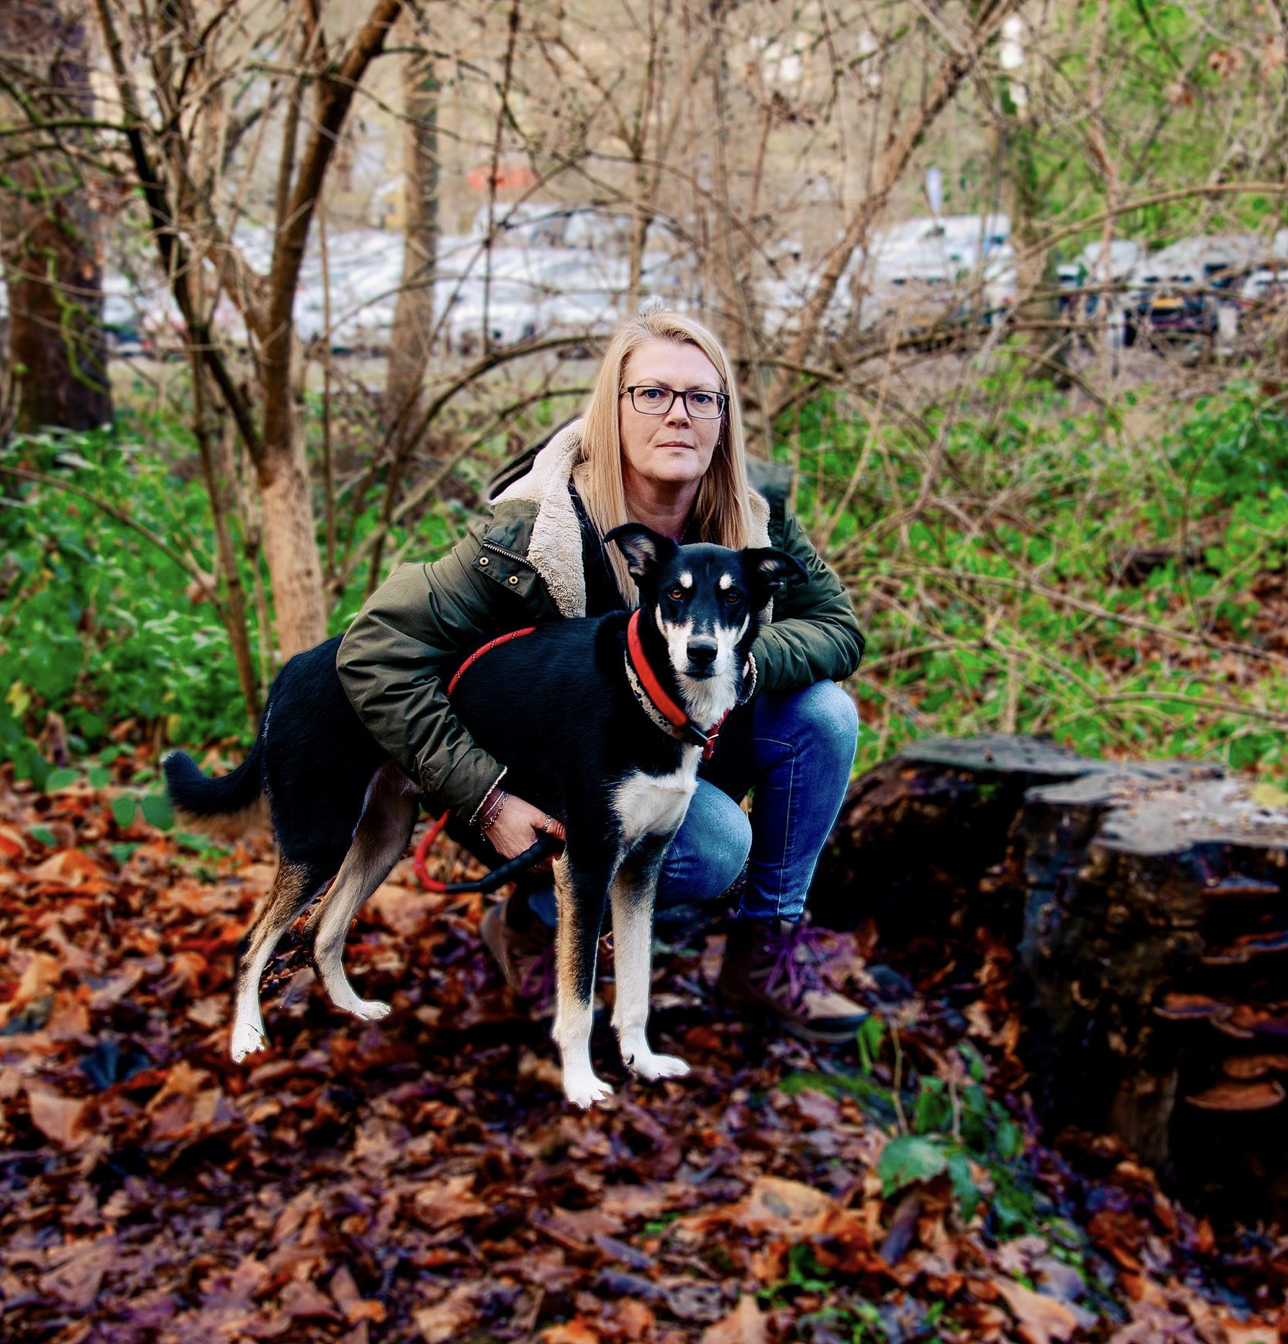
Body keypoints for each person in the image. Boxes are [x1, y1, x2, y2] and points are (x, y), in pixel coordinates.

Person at [336, 305, 867, 1042]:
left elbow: (838, 630)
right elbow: (375, 649)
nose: (678, 415)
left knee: (824, 716)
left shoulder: (754, 514)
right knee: (714, 845)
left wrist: (742, 667)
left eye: (700, 398)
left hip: (678, 748)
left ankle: (762, 954)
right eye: (652, 394)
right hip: (534, 778)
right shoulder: (536, 528)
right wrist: (483, 796)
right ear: (612, 411)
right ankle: (534, 918)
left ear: (723, 420)